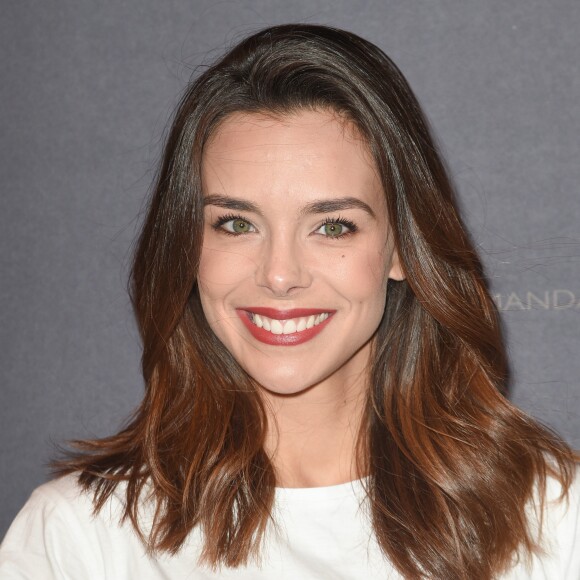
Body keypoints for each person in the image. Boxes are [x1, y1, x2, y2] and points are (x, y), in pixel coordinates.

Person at [0, 23, 578, 580]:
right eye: (234, 223)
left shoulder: (554, 519)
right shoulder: (79, 536)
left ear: (402, 247)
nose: (279, 275)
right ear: (185, 247)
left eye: (332, 227)